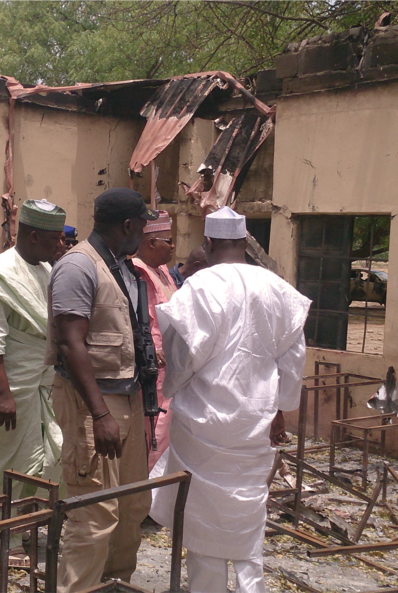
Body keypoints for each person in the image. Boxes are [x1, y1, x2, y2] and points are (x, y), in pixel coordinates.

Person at [150, 207, 310, 593]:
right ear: (244, 243)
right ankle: (251, 587)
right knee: (246, 509)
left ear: (207, 243)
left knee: (202, 512)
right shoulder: (278, 290)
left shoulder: (200, 288)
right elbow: (293, 361)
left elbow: (183, 356)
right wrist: (280, 409)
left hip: (203, 420)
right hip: (254, 420)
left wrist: (173, 385)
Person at [46, 187, 159, 592]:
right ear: (127, 225)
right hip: (93, 404)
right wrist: (100, 414)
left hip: (125, 399)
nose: (144, 233)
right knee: (93, 514)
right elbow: (70, 343)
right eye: (142, 226)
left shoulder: (123, 267)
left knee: (131, 507)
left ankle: (113, 584)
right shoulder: (79, 266)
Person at [0, 200, 67, 566]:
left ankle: (19, 526)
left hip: (38, 384)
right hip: (8, 390)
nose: (60, 245)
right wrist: (4, 393)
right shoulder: (1, 276)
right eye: (54, 238)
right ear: (34, 235)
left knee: (42, 457)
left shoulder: (44, 269)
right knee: (9, 462)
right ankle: (1, 536)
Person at [130, 211, 178, 474]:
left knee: (168, 426)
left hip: (171, 363)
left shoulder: (162, 271)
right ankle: (146, 489)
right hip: (152, 366)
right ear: (150, 243)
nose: (172, 247)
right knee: (154, 428)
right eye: (168, 241)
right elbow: (139, 320)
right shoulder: (137, 273)